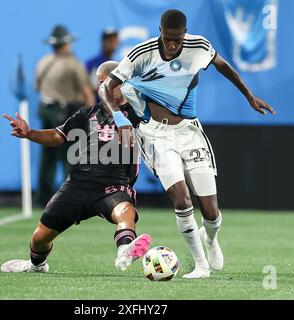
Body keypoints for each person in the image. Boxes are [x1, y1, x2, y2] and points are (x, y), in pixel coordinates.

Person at [99, 9, 276, 279]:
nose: (172, 45)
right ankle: (200, 265)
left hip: (189, 131)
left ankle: (211, 238)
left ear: (185, 34)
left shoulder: (199, 47)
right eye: (168, 39)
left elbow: (224, 66)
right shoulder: (140, 55)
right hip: (157, 136)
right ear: (159, 31)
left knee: (211, 211)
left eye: (177, 40)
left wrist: (250, 96)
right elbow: (106, 87)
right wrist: (119, 119)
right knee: (181, 199)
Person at [0, 61, 150, 273]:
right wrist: (29, 133)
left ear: (122, 82)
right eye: (99, 84)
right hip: (77, 184)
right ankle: (36, 265)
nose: (102, 89)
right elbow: (57, 135)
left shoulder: (140, 114)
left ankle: (125, 250)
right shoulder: (87, 113)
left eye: (108, 83)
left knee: (125, 211)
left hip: (112, 186)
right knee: (39, 238)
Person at [35, 25, 95, 206]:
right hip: (66, 112)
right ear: (66, 43)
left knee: (47, 158)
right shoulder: (73, 63)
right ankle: (70, 198)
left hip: (46, 111)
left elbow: (37, 87)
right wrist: (93, 115)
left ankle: (43, 198)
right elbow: (86, 92)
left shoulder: (43, 62)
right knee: (71, 157)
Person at [86, 28, 119, 102]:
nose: (113, 44)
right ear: (103, 42)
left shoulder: (117, 65)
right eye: (110, 41)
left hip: (114, 109)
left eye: (115, 41)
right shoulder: (91, 64)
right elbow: (85, 88)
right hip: (95, 108)